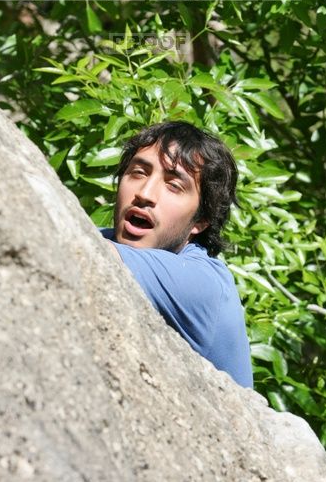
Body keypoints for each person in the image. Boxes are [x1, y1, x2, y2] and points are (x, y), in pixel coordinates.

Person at [100, 121, 253, 388]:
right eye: (138, 172)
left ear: (200, 221)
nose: (145, 194)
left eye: (173, 185)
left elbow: (77, 249)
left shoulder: (203, 283)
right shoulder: (109, 241)